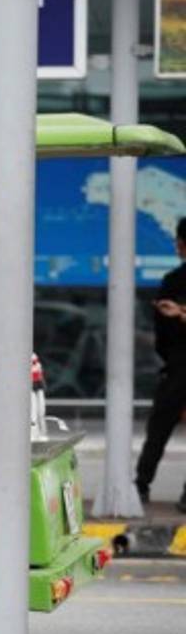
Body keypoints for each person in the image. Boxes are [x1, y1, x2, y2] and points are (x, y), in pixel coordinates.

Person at [135, 218, 186, 513]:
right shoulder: (172, 281)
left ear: (181, 244)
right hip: (178, 367)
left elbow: (161, 337)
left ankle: (140, 485)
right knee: (158, 429)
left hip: (178, 367)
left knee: (158, 430)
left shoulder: (172, 282)